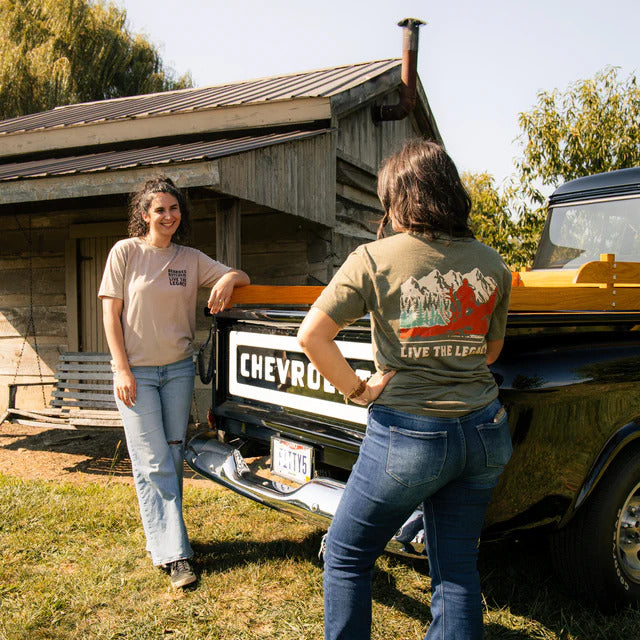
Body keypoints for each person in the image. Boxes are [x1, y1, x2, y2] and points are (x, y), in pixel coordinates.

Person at [297, 139, 513, 639]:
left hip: (409, 439)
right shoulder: (493, 263)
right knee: (456, 572)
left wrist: (357, 390)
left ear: (401, 198)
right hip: (484, 432)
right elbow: (491, 352)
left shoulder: (372, 259)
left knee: (348, 554)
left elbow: (312, 336)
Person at [99, 176, 249, 589]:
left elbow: (244, 277)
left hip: (179, 370)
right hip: (138, 374)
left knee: (171, 454)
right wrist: (122, 369)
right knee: (152, 461)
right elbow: (110, 315)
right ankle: (177, 555)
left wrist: (227, 277)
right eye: (160, 209)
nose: (168, 216)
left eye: (174, 208)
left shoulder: (190, 258)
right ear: (145, 215)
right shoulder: (126, 253)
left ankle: (165, 540)